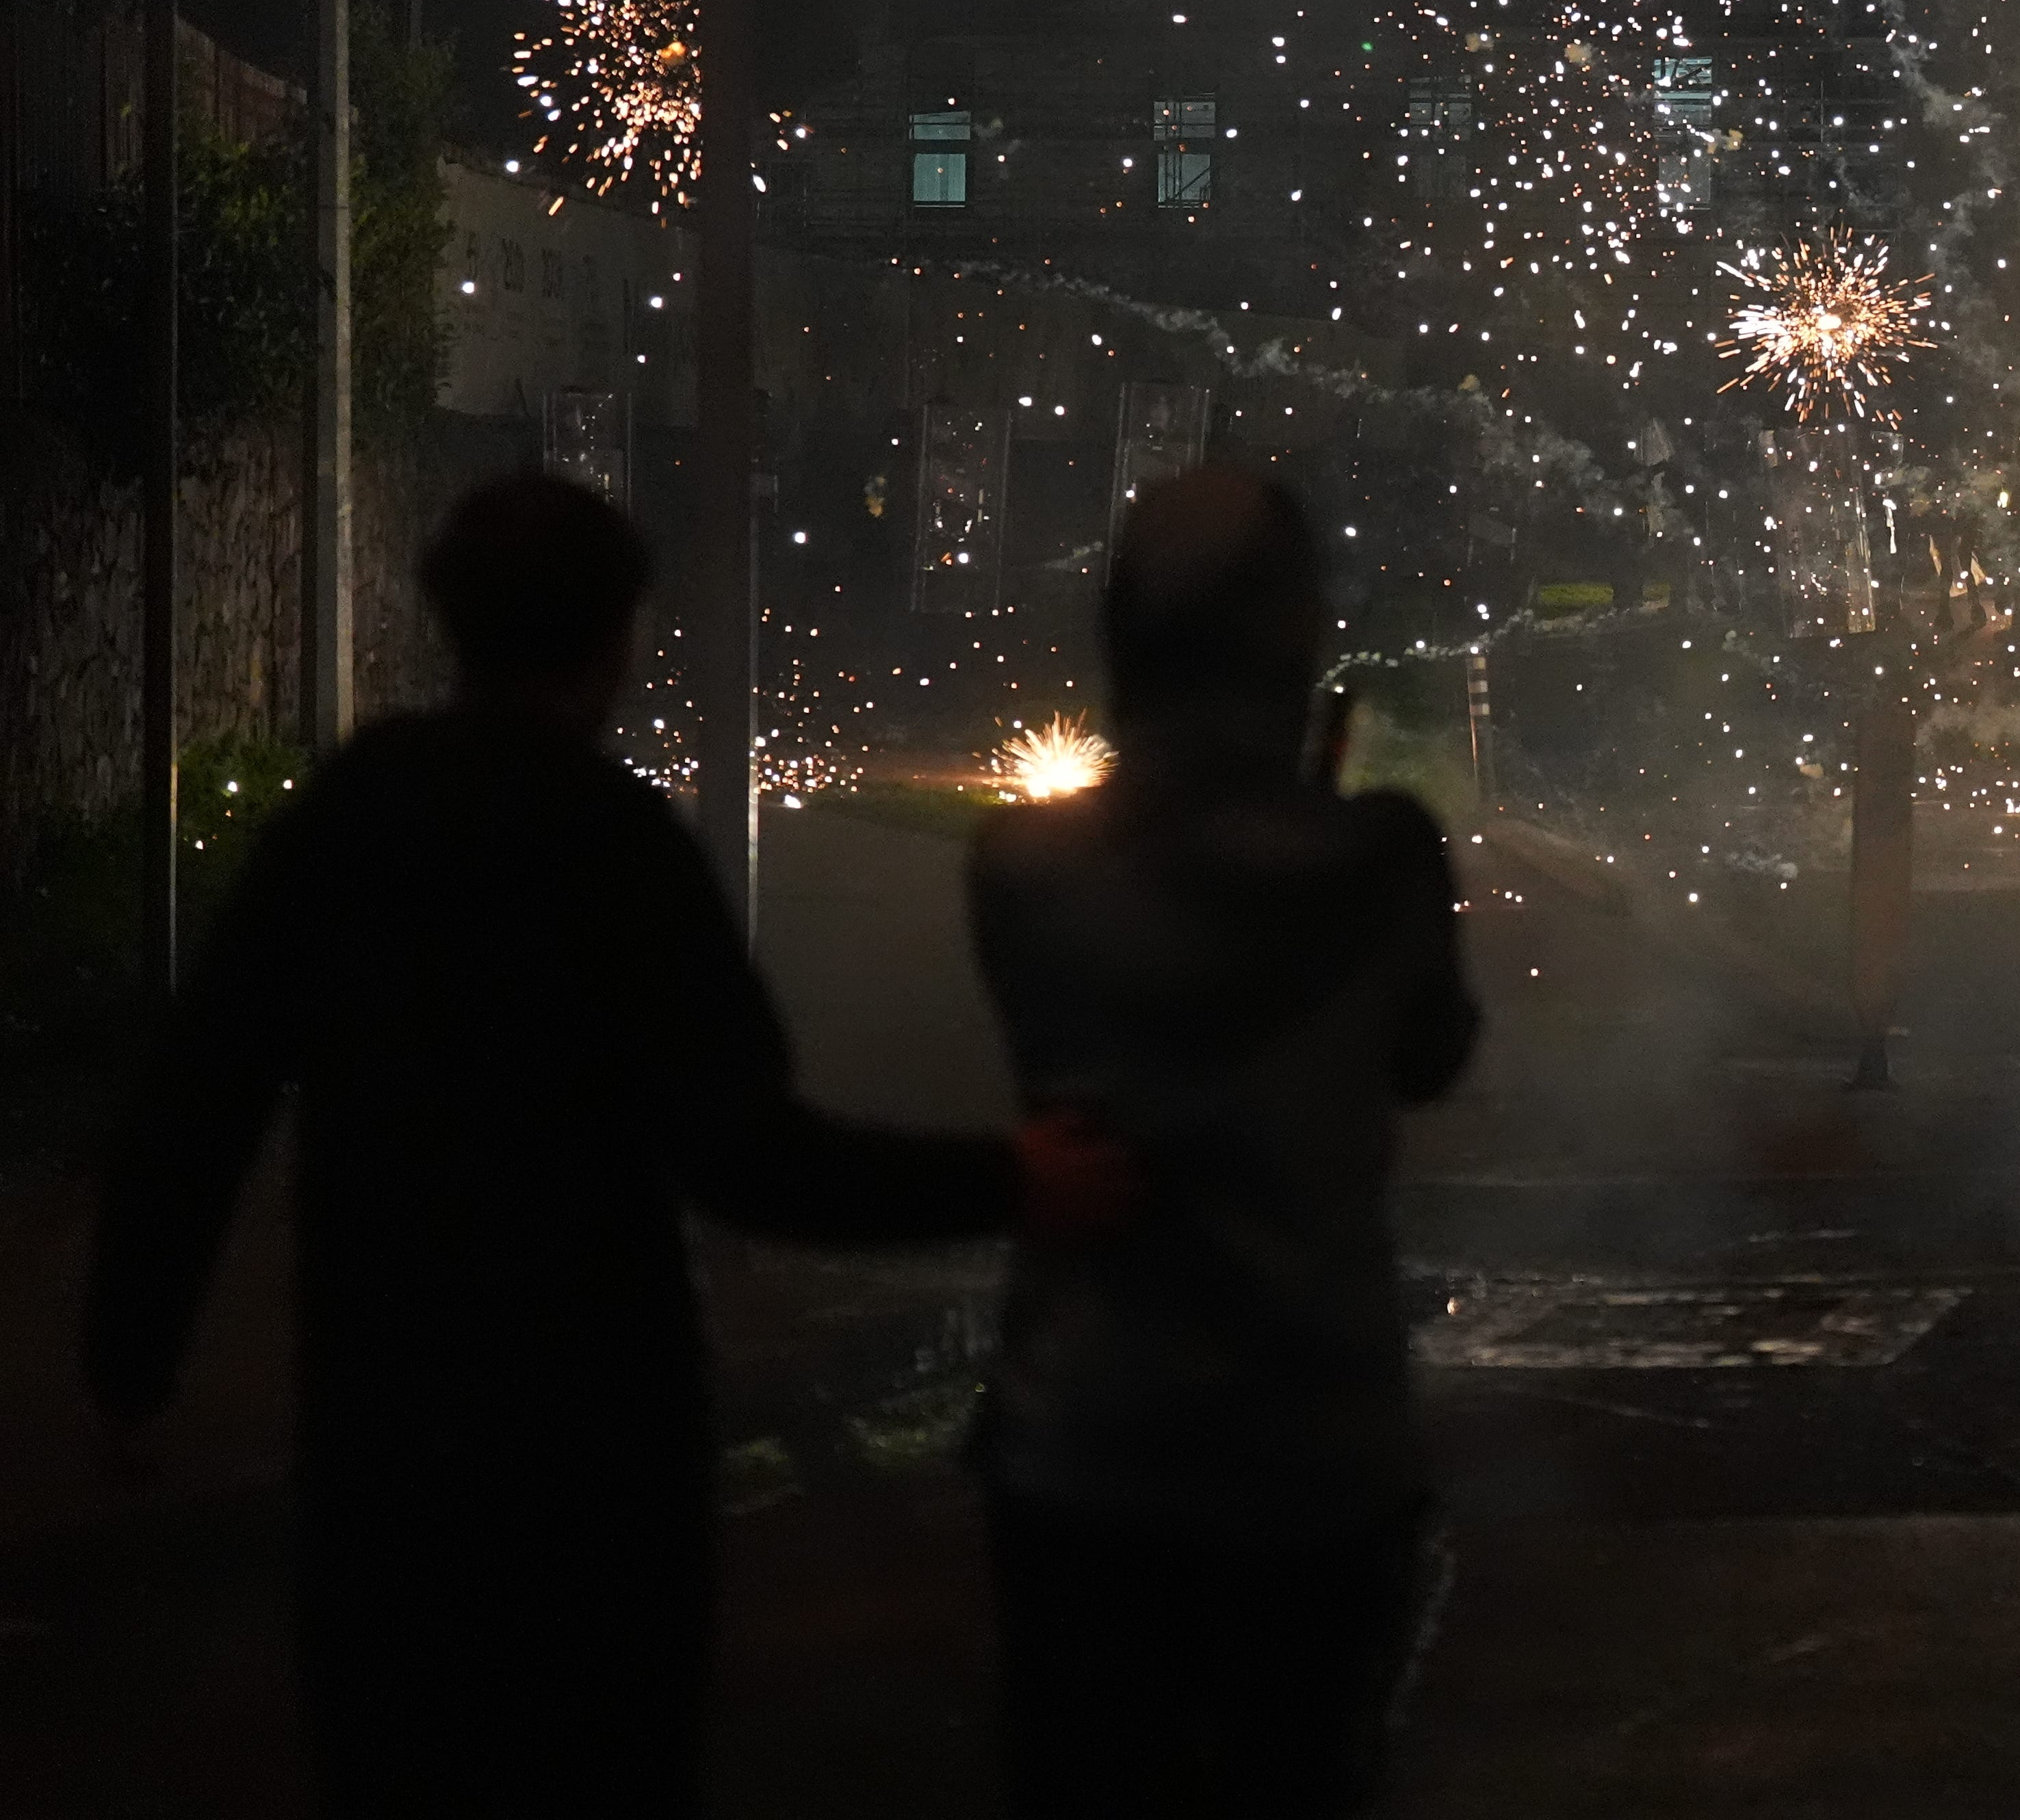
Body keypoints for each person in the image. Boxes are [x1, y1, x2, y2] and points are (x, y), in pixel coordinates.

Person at [81, 473, 1128, 1819]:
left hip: (385, 1431)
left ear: (450, 619)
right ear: (620, 635)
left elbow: (198, 1097)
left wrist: (128, 1362)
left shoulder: (346, 820)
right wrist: (1010, 1177)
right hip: (599, 1451)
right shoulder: (622, 845)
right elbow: (749, 1149)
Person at [971, 465, 1480, 1818]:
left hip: (1086, 1430)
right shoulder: (1382, 857)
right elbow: (1430, 1053)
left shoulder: (1018, 865)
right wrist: (1321, 804)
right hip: (1313, 1438)